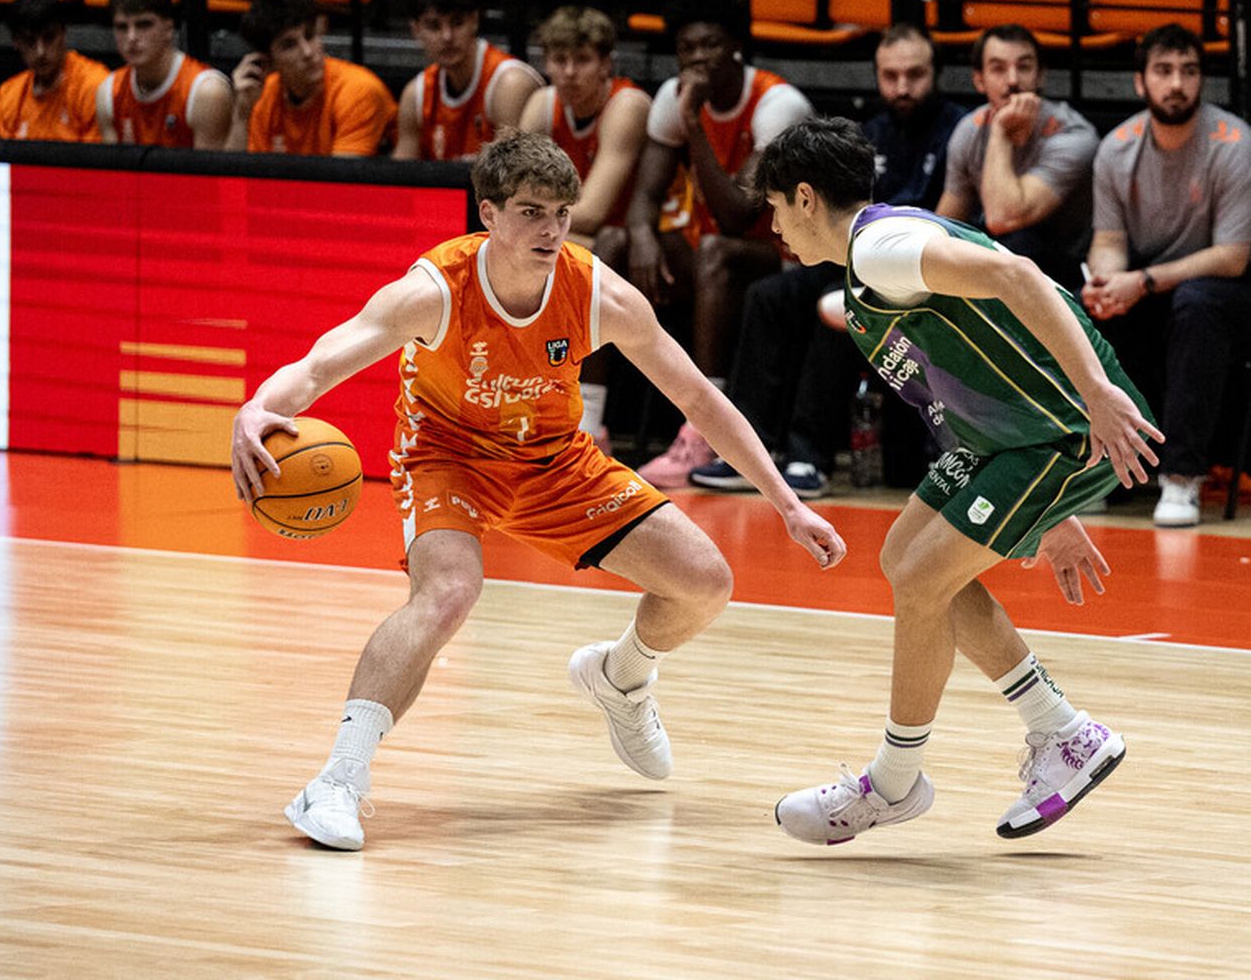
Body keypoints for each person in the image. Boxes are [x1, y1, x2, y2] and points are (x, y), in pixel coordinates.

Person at [231, 130, 846, 852]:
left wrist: (788, 503)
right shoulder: (435, 291)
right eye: (530, 212)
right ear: (487, 214)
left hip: (555, 461)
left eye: (561, 212)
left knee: (706, 583)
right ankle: (336, 782)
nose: (550, 230)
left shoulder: (599, 294)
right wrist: (259, 407)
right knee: (449, 592)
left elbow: (700, 399)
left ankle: (621, 678)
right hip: (448, 457)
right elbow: (321, 361)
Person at [755, 117, 1160, 846]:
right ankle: (1060, 730)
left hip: (1063, 429)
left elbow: (1019, 276)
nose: (775, 226)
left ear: (806, 198)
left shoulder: (882, 248)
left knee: (919, 582)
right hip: (1018, 434)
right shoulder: (877, 251)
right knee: (905, 558)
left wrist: (1094, 394)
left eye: (776, 207)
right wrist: (1048, 513)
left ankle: (894, 783)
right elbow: (960, 380)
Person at [690, 23, 965, 499]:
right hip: (852, 255)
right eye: (890, 75)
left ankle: (806, 457)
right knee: (769, 295)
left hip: (914, 267)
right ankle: (747, 451)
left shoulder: (958, 130)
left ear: (937, 74)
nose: (902, 87)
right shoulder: (867, 135)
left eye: (915, 74)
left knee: (836, 306)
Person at [1082, 24, 1251, 529]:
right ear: (1140, 82)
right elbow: (1109, 243)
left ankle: (1181, 477)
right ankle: (1099, 470)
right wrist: (1107, 284)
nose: (1176, 84)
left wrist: (1143, 282)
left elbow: (1232, 259)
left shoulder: (1234, 144)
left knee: (1198, 304)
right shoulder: (1116, 148)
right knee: (1086, 307)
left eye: (1189, 71)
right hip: (1165, 281)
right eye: (1163, 71)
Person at [620, 0, 814, 488]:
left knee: (714, 252)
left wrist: (692, 123)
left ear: (736, 46)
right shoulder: (673, 95)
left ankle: (705, 430)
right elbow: (643, 194)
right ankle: (590, 423)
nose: (698, 58)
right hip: (713, 253)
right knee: (612, 246)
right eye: (687, 49)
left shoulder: (776, 103)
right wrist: (641, 232)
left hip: (785, 257)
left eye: (709, 44)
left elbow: (734, 215)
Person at [935, 24, 1098, 291]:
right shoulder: (969, 130)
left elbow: (1003, 218)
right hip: (1002, 260)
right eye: (998, 68)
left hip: (1064, 269)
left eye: (1023, 67)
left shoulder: (1073, 134)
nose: (1012, 80)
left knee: (1019, 244)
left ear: (1040, 75)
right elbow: (947, 226)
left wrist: (1000, 131)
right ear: (979, 80)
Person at [519, 6, 651, 248]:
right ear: (546, 64)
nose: (569, 72)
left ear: (605, 64)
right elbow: (510, 192)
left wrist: (522, 222)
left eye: (582, 60)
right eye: (560, 60)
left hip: (632, 241)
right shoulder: (542, 104)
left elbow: (591, 215)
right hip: (570, 233)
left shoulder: (626, 105)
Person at [392, 0, 543, 162]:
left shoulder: (509, 84)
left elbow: (512, 174)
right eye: (434, 26)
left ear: (474, 20)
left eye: (457, 23)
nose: (447, 37)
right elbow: (400, 176)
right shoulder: (416, 94)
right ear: (415, 29)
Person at [226, 0, 397, 156]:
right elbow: (236, 180)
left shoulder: (358, 90)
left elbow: (342, 182)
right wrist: (242, 115)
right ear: (268, 61)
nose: (308, 52)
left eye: (310, 36)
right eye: (289, 45)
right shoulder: (262, 96)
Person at [96, 0, 232, 149]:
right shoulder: (108, 92)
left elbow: (210, 175)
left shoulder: (206, 92)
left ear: (168, 29)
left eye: (144, 25)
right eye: (122, 27)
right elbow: (111, 174)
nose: (132, 37)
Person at [0, 0, 109, 142]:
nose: (41, 52)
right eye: (30, 42)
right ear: (16, 43)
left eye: (49, 38)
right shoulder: (10, 95)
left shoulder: (94, 87)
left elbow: (97, 161)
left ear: (63, 34)